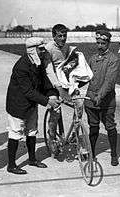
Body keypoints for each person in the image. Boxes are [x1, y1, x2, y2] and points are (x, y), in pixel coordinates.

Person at [6, 37, 60, 174]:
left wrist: (52, 94)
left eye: (43, 49)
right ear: (32, 50)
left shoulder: (37, 62)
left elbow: (44, 82)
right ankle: (11, 165)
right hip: (17, 105)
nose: (43, 52)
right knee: (15, 133)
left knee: (32, 131)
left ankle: (32, 159)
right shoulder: (21, 67)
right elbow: (28, 91)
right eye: (40, 49)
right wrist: (47, 101)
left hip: (31, 104)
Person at [45, 24, 93, 156]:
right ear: (53, 36)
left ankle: (75, 134)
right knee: (56, 108)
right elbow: (49, 70)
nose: (62, 38)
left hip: (65, 81)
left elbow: (68, 64)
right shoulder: (48, 48)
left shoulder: (66, 47)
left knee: (79, 104)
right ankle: (52, 137)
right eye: (59, 36)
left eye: (64, 36)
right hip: (52, 83)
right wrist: (59, 88)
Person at [84, 30, 119, 166]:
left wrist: (100, 96)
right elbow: (87, 76)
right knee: (93, 127)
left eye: (103, 43)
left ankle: (114, 154)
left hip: (106, 101)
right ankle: (92, 152)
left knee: (110, 127)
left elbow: (109, 82)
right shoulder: (92, 58)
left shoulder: (113, 59)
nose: (100, 46)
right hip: (91, 100)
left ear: (108, 43)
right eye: (98, 43)